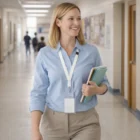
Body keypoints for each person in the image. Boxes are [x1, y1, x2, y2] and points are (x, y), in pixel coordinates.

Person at [30, 2, 109, 140]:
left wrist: (95, 90)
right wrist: (35, 130)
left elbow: (104, 84)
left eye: (78, 18)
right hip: (53, 122)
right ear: (58, 22)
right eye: (71, 18)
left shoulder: (91, 52)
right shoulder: (45, 54)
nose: (76, 23)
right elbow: (38, 92)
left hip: (86, 122)